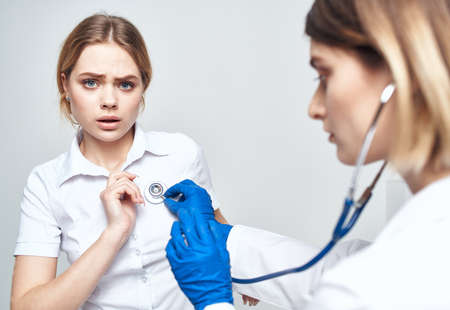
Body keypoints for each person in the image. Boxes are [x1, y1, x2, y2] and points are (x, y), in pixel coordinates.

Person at [164, 0, 450, 309]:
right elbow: (336, 271)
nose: (314, 108)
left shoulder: (365, 289)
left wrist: (213, 301)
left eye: (324, 76)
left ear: (402, 73)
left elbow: (355, 285)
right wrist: (224, 240)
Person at [10, 13, 259, 310]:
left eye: (125, 84)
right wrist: (115, 233)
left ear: (143, 86)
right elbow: (26, 306)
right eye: (90, 82)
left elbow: (213, 227)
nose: (109, 100)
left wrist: (244, 270)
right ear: (65, 84)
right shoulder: (47, 183)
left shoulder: (180, 153)